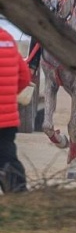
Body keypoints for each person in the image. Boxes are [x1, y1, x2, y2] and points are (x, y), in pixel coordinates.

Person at [0, 23, 31, 193]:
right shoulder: (8, 39)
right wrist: (9, 96)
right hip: (7, 119)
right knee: (7, 158)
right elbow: (25, 77)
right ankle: (19, 198)